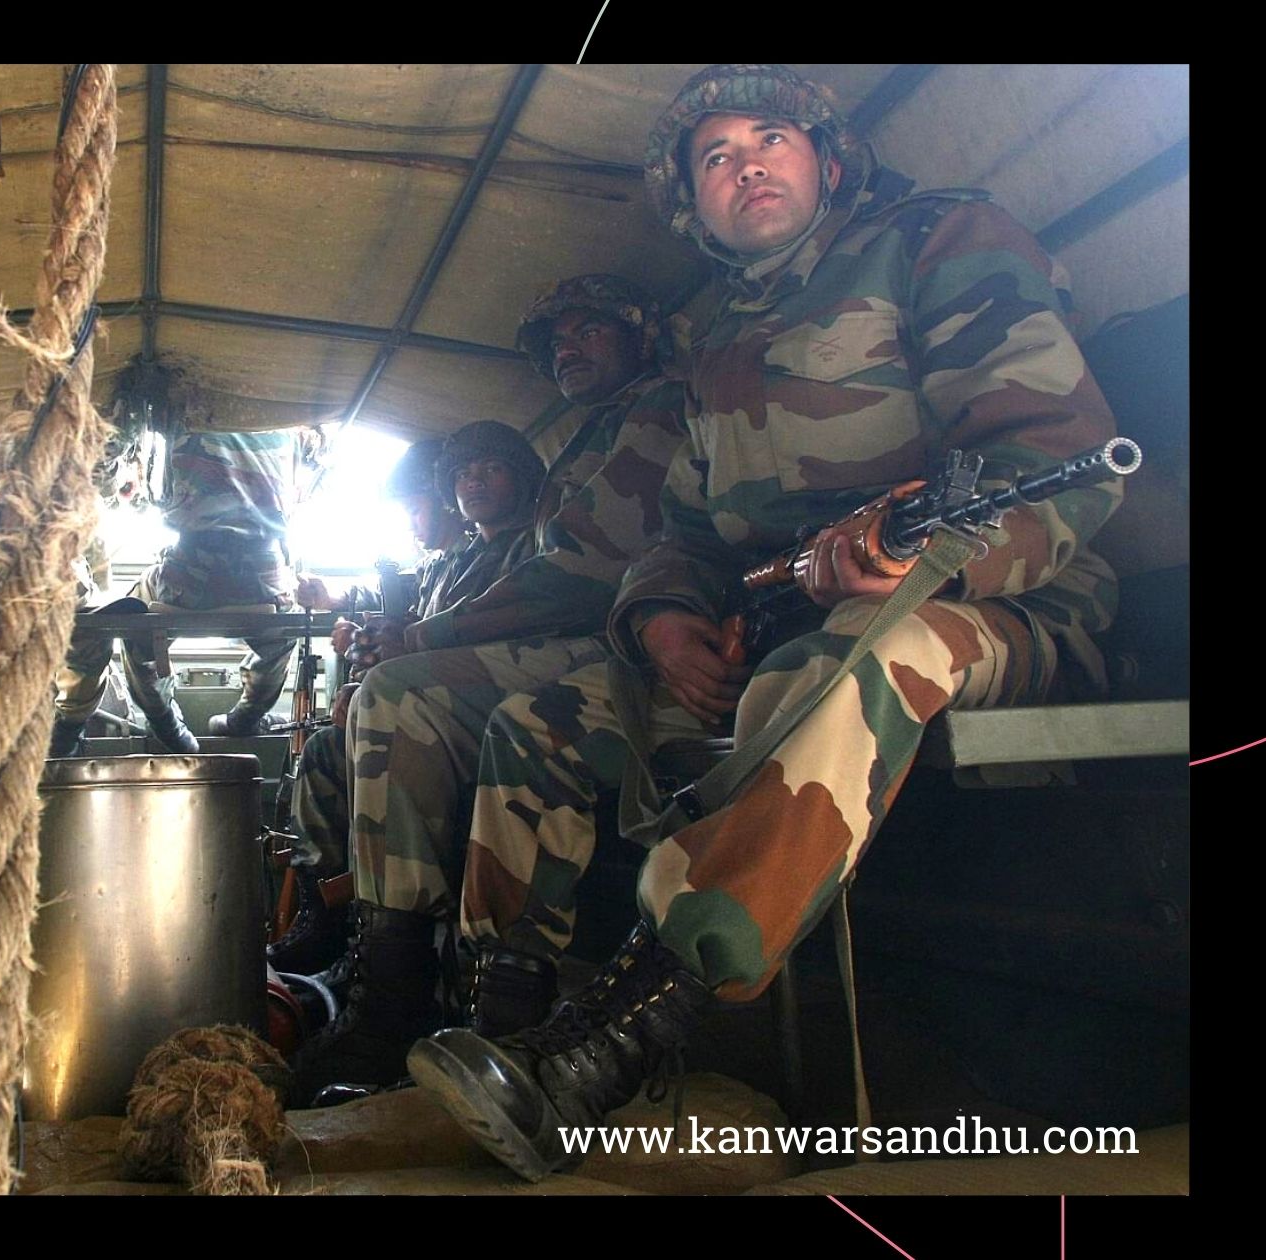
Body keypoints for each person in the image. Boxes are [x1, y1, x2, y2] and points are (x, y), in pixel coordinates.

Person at [410, 64, 1125, 1183]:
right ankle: (504, 1012)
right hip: (773, 619)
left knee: (844, 667)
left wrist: (912, 555)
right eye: (714, 156)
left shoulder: (936, 239)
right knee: (539, 718)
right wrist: (659, 620)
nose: (743, 163)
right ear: (693, 204)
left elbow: (1055, 466)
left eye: (768, 139)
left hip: (999, 600)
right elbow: (680, 531)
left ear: (825, 157)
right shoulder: (714, 344)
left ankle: (619, 1033)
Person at [288, 274, 691, 1106]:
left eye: (589, 333)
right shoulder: (596, 436)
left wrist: (423, 637)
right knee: (392, 702)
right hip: (595, 641)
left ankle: (445, 1006)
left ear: (640, 334)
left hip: (637, 647)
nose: (567, 351)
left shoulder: (657, 412)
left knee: (404, 695)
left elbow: (581, 573)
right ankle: (397, 986)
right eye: (556, 345)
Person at [271, 436, 462, 978]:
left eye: (415, 508)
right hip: (419, 712)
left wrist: (370, 679)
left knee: (352, 740)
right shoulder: (434, 567)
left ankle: (384, 946)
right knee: (325, 753)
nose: (409, 522)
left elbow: (451, 644)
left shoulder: (479, 560)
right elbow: (399, 606)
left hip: (442, 724)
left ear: (445, 499)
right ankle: (329, 912)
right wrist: (347, 616)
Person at [49, 408, 315, 756]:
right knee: (286, 628)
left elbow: (136, 493)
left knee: (133, 620)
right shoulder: (289, 423)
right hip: (264, 576)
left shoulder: (173, 415)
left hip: (189, 576)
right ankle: (245, 719)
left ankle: (166, 725)